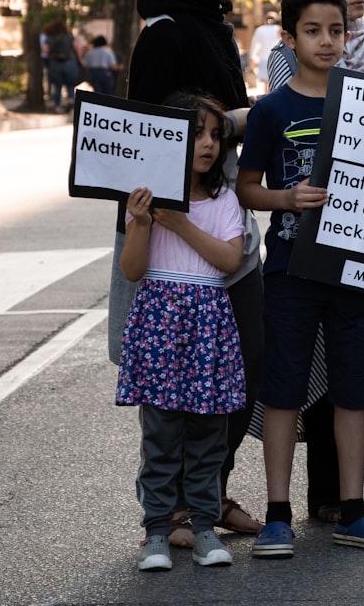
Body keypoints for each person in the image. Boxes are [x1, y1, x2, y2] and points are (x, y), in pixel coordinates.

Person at [107, 0, 264, 547]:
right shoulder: (167, 34)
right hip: (174, 230)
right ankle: (171, 509)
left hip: (224, 220)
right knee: (171, 387)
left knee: (237, 373)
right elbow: (150, 131)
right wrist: (242, 119)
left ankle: (210, 495)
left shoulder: (214, 33)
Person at [237, 0, 364, 556]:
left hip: (354, 273)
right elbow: (246, 187)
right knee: (283, 391)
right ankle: (277, 514)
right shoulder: (271, 111)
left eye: (336, 30)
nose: (327, 41)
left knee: (354, 391)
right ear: (288, 37)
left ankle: (353, 509)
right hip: (287, 273)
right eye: (313, 31)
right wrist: (286, 200)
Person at [117, 91, 246, 571]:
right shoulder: (145, 198)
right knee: (162, 435)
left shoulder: (224, 200)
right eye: (196, 133)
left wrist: (180, 222)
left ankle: (205, 527)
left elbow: (230, 259)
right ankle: (157, 531)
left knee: (209, 435)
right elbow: (132, 270)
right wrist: (145, 222)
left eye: (215, 135)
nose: (209, 143)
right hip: (159, 324)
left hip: (208, 323)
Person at [43, 19, 83, 112]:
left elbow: (45, 50)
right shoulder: (69, 37)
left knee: (57, 87)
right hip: (70, 63)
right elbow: (77, 48)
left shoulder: (50, 38)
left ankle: (57, 106)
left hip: (55, 64)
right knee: (70, 85)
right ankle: (71, 101)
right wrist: (80, 59)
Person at [248, 11, 282, 94]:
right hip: (277, 58)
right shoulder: (279, 30)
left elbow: (254, 45)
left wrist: (252, 58)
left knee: (266, 83)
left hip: (263, 59)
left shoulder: (260, 30)